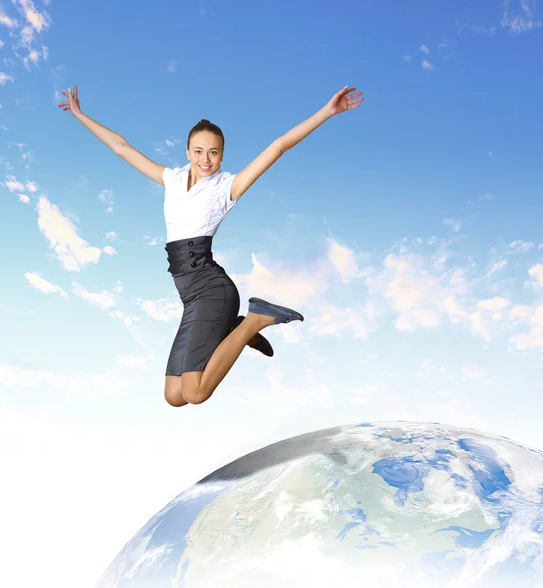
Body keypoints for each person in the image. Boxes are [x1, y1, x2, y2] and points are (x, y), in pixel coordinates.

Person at [58, 84, 363, 407]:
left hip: (211, 289)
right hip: (189, 296)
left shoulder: (226, 187)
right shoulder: (172, 179)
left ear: (222, 155)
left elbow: (278, 147)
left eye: (214, 152)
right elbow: (121, 147)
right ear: (188, 151)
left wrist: (327, 112)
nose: (206, 159)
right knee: (174, 396)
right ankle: (234, 327)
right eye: (199, 151)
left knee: (196, 392)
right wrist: (80, 115)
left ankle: (255, 319)